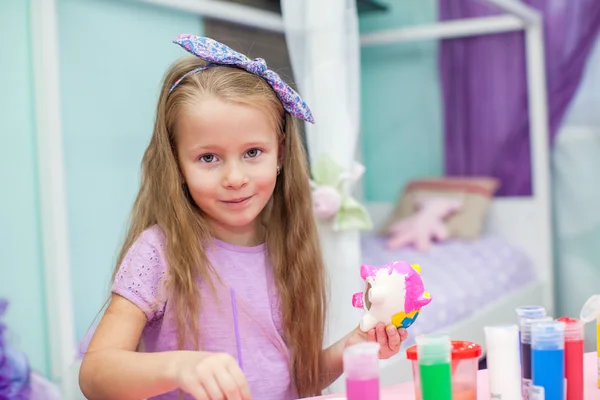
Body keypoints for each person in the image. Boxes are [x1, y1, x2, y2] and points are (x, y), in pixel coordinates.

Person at [78, 34, 407, 400]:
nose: (235, 178)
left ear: (279, 153)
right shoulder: (159, 252)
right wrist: (180, 367)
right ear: (176, 163)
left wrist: (356, 343)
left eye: (253, 152)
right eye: (208, 158)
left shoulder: (288, 246)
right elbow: (95, 374)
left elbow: (293, 385)